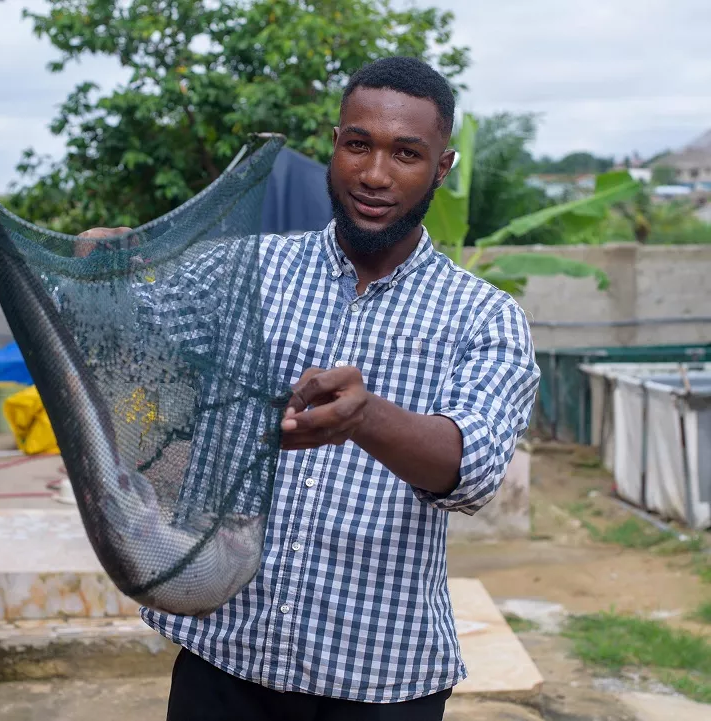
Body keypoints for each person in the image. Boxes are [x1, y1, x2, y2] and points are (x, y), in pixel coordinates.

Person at [79, 56, 540, 721]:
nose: (375, 175)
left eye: (406, 154)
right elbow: (137, 328)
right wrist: (106, 266)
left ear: (442, 168)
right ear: (335, 146)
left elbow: (472, 472)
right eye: (359, 145)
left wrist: (366, 419)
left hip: (381, 681)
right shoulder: (247, 271)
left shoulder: (484, 317)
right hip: (224, 660)